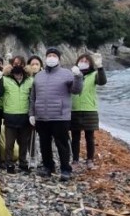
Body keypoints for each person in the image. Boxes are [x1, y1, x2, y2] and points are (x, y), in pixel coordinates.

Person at [29, 47, 83, 181]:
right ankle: (48, 166)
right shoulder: (38, 75)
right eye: (49, 55)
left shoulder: (66, 73)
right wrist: (32, 114)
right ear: (45, 58)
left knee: (62, 144)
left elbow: (76, 90)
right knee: (44, 143)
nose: (51, 58)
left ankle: (66, 169)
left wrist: (78, 76)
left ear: (59, 58)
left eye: (54, 55)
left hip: (60, 116)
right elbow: (33, 97)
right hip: (41, 116)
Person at [71, 53, 107, 169]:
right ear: (77, 62)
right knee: (75, 137)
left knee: (89, 137)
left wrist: (100, 67)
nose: (83, 62)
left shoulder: (94, 75)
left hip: (89, 110)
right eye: (81, 60)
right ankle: (75, 160)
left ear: (91, 63)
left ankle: (90, 160)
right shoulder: (73, 75)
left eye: (86, 61)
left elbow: (102, 82)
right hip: (74, 109)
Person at [2, 56, 33, 174]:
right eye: (15, 64)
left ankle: (23, 163)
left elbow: (34, 97)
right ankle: (9, 163)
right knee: (9, 143)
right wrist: (2, 73)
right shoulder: (5, 79)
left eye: (20, 64)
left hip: (25, 116)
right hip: (10, 115)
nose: (18, 66)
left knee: (24, 142)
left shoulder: (30, 80)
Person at [25, 55, 44, 167]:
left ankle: (43, 158)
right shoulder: (26, 77)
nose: (35, 66)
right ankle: (32, 156)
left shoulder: (45, 76)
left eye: (37, 64)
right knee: (30, 135)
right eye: (32, 64)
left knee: (44, 136)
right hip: (28, 109)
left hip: (42, 110)